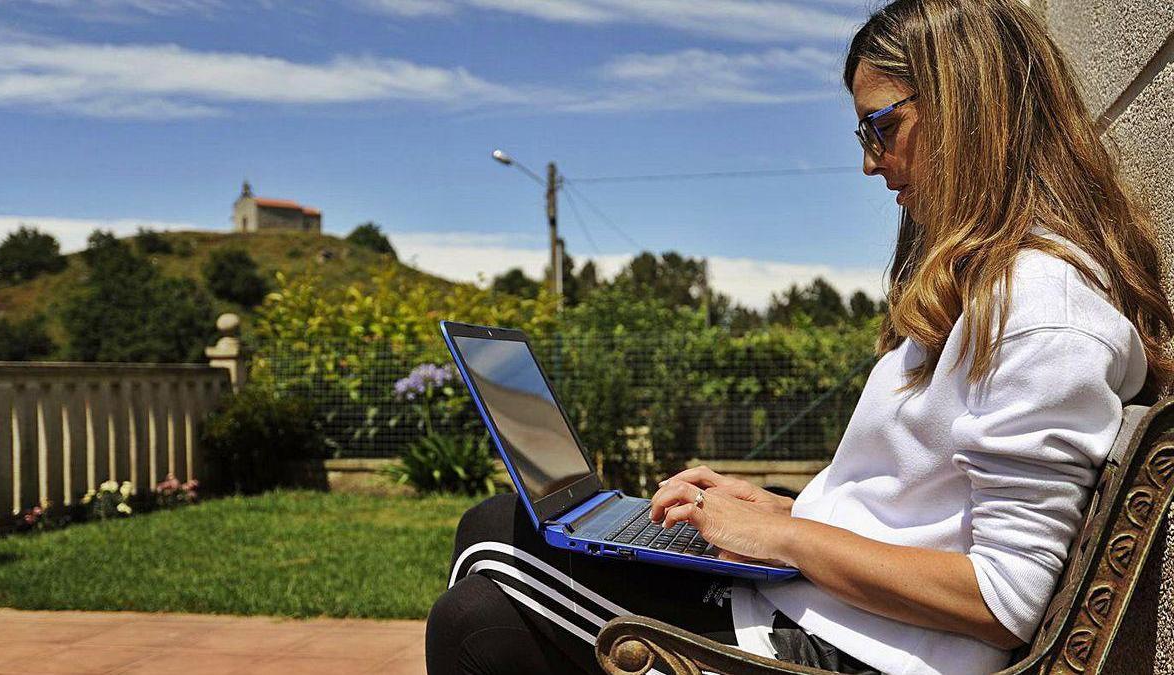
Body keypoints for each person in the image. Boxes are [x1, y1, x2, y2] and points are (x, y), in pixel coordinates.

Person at [425, 0, 1174, 673]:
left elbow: (1004, 600)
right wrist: (775, 512)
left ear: (971, 113)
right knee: (497, 547)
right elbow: (919, 512)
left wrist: (778, 539)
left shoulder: (1041, 311)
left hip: (849, 648)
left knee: (488, 575)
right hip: (836, 614)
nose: (869, 160)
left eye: (882, 126)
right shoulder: (1000, 288)